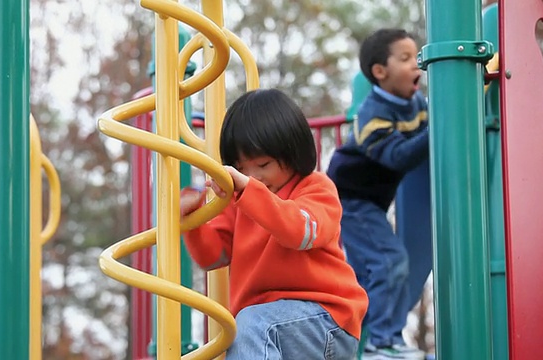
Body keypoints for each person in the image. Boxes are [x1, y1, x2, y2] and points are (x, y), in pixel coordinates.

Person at [180, 88, 368, 360]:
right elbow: (213, 256)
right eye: (242, 169)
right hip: (268, 325)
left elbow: (298, 232)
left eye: (263, 165)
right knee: (247, 328)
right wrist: (192, 222)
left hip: (327, 319)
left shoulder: (315, 188)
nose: (253, 177)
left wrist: (248, 191)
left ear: (292, 152)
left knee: (253, 325)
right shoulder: (240, 202)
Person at [326, 28, 429, 360]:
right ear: (380, 72)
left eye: (417, 56)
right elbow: (397, 156)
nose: (417, 65)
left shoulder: (417, 104)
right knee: (390, 261)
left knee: (365, 275)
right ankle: (380, 343)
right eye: (405, 59)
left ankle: (367, 341)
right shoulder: (372, 113)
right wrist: (440, 126)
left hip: (372, 201)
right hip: (350, 197)